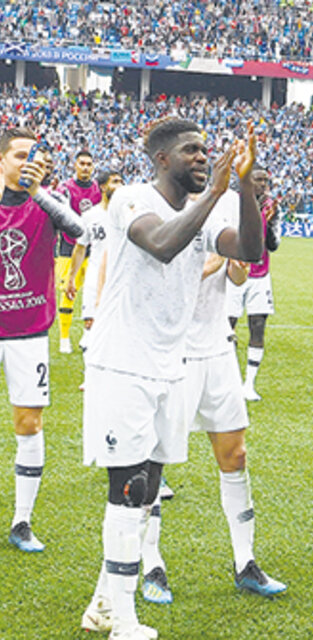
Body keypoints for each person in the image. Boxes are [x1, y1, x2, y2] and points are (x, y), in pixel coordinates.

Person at [79, 118, 262, 640]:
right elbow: (159, 244)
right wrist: (217, 194)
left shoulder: (201, 214)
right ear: (161, 159)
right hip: (122, 363)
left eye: (207, 150)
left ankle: (102, 603)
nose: (204, 157)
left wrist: (244, 185)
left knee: (149, 485)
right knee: (129, 486)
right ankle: (123, 622)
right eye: (191, 151)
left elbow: (249, 250)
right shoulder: (132, 200)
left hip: (169, 365)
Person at [139, 247, 286, 605]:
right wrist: (210, 262)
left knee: (235, 456)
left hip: (218, 349)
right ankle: (151, 564)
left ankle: (245, 562)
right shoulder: (158, 206)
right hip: (172, 350)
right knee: (155, 460)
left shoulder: (227, 206)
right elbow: (157, 281)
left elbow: (238, 277)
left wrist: (236, 263)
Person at [0, 128, 84, 553]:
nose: (25, 161)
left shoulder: (48, 204)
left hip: (28, 330)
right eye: (17, 155)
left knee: (28, 424)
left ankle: (22, 522)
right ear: (1, 161)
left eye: (32, 155)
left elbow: (81, 232)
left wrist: (37, 193)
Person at [228, 165, 281, 401]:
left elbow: (273, 245)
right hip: (234, 273)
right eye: (258, 180)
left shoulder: (271, 208)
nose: (263, 185)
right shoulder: (232, 203)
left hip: (261, 275)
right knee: (226, 328)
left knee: (258, 327)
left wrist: (268, 223)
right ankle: (229, 380)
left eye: (265, 181)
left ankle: (249, 384)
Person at [65, 169, 124, 350]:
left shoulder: (128, 214)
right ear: (103, 186)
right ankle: (88, 373)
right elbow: (80, 247)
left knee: (117, 333)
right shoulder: (91, 215)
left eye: (121, 181)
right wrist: (71, 279)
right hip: (94, 278)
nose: (120, 186)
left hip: (119, 278)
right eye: (115, 181)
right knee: (91, 330)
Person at [56, 150, 100, 353]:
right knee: (68, 292)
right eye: (82, 163)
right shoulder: (66, 188)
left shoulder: (98, 189)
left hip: (92, 247)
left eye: (88, 164)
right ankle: (64, 337)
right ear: (75, 165)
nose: (85, 167)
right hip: (68, 245)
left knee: (94, 291)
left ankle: (89, 334)